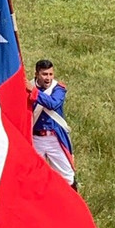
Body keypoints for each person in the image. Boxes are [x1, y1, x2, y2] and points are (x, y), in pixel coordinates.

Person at [28, 58, 78, 190]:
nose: (48, 78)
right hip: (35, 138)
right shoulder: (28, 86)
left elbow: (53, 103)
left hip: (54, 138)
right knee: (32, 175)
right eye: (44, 74)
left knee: (67, 176)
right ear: (37, 74)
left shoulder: (58, 89)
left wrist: (33, 92)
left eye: (50, 74)